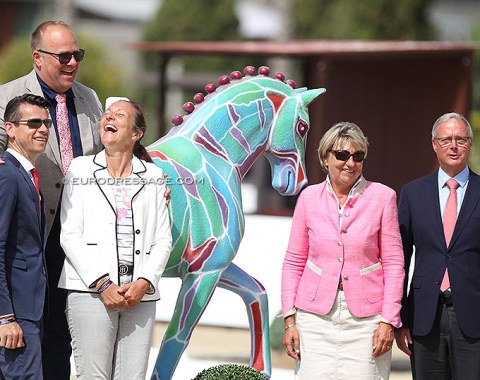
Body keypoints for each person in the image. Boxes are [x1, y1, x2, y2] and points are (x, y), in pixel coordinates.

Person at [0, 20, 103, 379]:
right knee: (24, 339)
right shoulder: (6, 97)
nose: (73, 62)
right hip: (26, 237)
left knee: (61, 338)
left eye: (78, 54)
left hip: (78, 239)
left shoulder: (90, 99)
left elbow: (108, 158)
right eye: (63, 56)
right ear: (38, 57)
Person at [281, 122, 405, 379]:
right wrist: (289, 319)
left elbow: (394, 263)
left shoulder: (383, 197)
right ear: (325, 158)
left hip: (367, 322)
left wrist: (388, 320)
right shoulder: (308, 198)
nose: (350, 163)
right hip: (314, 320)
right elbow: (294, 262)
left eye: (357, 156)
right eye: (342, 155)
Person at [59, 99, 172, 379]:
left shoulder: (155, 176)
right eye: (107, 114)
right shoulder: (80, 169)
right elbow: (70, 234)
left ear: (136, 133)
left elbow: (163, 239)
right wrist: (103, 283)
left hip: (140, 297)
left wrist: (145, 281)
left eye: (119, 115)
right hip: (90, 292)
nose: (108, 117)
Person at [395, 112, 480, 379]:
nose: (453, 145)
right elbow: (400, 258)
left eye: (461, 139)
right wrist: (400, 317)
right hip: (424, 317)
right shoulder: (412, 193)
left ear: (470, 143)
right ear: (434, 144)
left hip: (474, 317)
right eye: (446, 139)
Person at [0, 94, 51, 378]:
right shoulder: (7, 175)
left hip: (30, 310)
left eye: (46, 123)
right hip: (14, 315)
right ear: (10, 128)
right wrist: (4, 316)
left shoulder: (27, 174)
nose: (42, 129)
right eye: (33, 123)